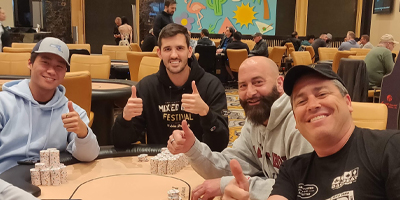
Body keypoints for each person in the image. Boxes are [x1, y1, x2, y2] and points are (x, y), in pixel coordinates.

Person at [167, 56, 313, 200]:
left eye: (258, 82)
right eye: (243, 85)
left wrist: (225, 184)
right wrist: (192, 148)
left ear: (280, 83)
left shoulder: (300, 123)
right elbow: (230, 166)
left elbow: (303, 189)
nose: (250, 93)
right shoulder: (255, 121)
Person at [265, 64, 400, 199]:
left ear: (348, 102)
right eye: (301, 101)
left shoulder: (390, 148)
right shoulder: (291, 170)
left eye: (322, 94)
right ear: (295, 120)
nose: (312, 105)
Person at [111, 23, 229, 152]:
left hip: (199, 165)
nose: (174, 55)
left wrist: (206, 113)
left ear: (190, 52)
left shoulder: (211, 85)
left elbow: (220, 145)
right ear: (159, 53)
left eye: (179, 48)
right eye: (167, 49)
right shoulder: (147, 87)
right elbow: (120, 143)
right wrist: (125, 118)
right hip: (160, 165)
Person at [0, 37, 100, 174]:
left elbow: (89, 156)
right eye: (45, 62)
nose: (51, 71)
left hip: (49, 181)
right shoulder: (3, 103)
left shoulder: (72, 111)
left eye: (59, 66)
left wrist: (83, 133)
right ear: (30, 63)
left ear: (65, 72)